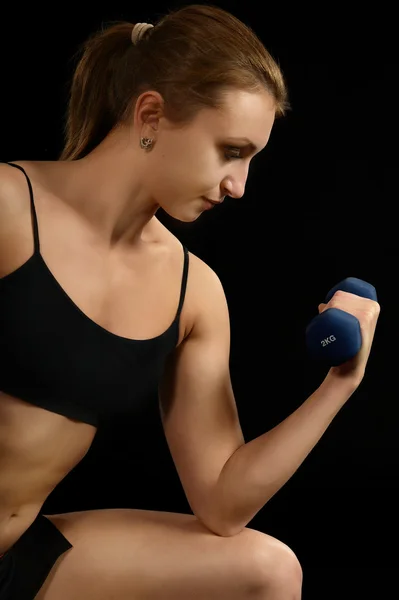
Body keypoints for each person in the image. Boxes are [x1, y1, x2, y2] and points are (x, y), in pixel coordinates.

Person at [0, 4, 380, 599]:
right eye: (231, 151)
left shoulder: (192, 292)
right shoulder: (8, 209)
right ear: (151, 113)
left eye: (252, 159)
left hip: (12, 556)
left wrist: (340, 383)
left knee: (268, 570)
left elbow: (223, 505)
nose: (240, 186)